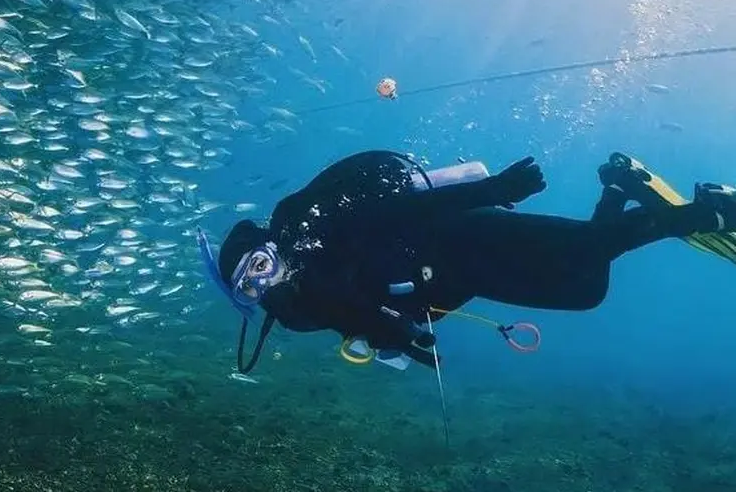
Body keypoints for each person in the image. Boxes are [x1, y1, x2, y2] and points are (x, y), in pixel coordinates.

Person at [198, 150, 736, 373]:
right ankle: (617, 185)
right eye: (250, 287)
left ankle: (710, 211)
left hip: (454, 229)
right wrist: (397, 338)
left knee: (589, 250)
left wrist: (493, 189)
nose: (265, 285)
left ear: (272, 247)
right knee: (585, 289)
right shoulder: (292, 310)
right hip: (462, 276)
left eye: (261, 267)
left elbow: (400, 211)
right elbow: (352, 311)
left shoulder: (312, 231)